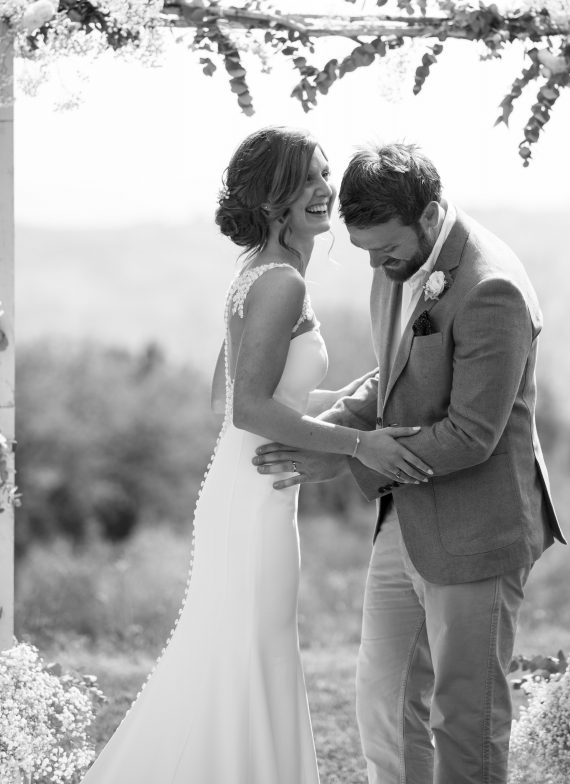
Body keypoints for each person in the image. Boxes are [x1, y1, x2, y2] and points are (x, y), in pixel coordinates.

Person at [79, 127, 430, 784]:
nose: (324, 190)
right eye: (306, 180)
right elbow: (247, 409)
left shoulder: (254, 274)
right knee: (254, 651)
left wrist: (344, 395)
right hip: (253, 502)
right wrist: (360, 441)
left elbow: (231, 395)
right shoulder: (282, 286)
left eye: (324, 174)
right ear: (272, 199)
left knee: (237, 650)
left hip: (240, 491)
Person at [254, 141, 566, 784]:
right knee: (384, 699)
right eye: (365, 250)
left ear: (428, 215)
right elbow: (395, 374)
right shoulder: (398, 260)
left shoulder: (491, 289)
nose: (376, 263)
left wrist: (350, 461)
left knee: (465, 714)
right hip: (407, 517)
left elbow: (471, 435)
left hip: (478, 527)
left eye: (383, 248)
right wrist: (332, 433)